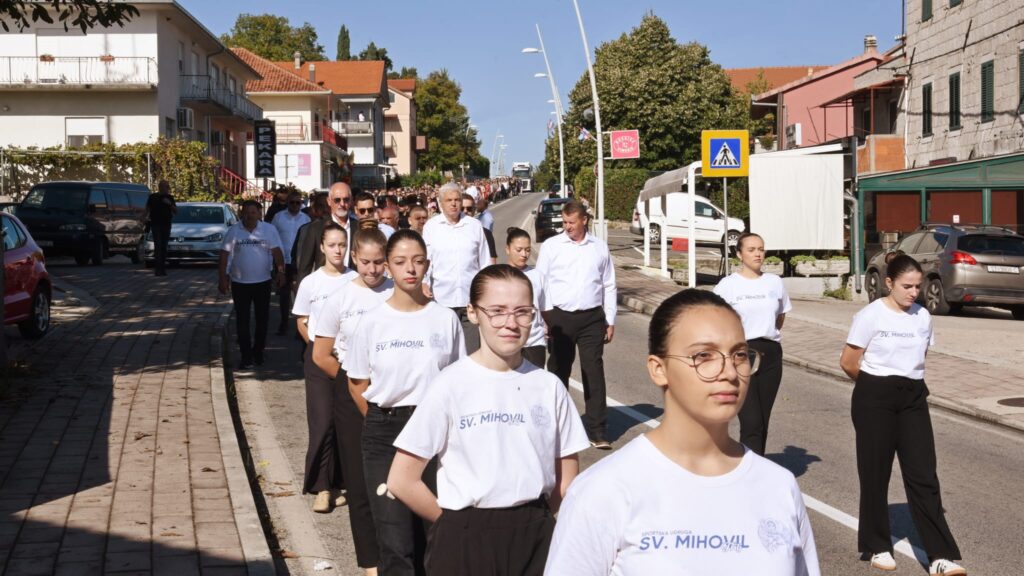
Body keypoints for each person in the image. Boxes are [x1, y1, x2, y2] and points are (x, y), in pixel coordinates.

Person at [544, 289, 821, 575]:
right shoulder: (603, 490)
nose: (729, 372)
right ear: (658, 369)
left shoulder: (779, 486)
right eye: (704, 355)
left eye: (739, 354)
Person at [388, 264, 589, 576]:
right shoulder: (450, 384)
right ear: (473, 313)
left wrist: (538, 523)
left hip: (536, 535)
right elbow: (402, 479)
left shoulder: (549, 386)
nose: (511, 323)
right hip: (464, 535)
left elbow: (566, 476)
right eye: (497, 311)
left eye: (522, 312)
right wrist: (449, 523)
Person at [344, 229, 466, 576]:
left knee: (437, 534)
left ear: (428, 264)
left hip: (435, 436)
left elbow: (458, 383)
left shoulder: (445, 319)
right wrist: (384, 418)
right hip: (384, 434)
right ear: (388, 266)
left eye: (418, 261)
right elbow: (358, 383)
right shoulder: (371, 322)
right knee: (394, 541)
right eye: (400, 262)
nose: (410, 269)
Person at [839, 255, 966, 576]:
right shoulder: (870, 315)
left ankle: (940, 556)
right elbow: (848, 362)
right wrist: (875, 388)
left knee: (924, 475)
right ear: (889, 283)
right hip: (874, 397)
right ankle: (877, 546)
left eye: (917, 286)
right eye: (907, 286)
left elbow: (920, 358)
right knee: (875, 473)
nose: (913, 292)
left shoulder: (923, 317)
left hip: (913, 397)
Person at [311, 228, 392, 575]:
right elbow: (321, 355)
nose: (372, 270)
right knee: (360, 485)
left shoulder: (398, 292)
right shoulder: (340, 298)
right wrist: (352, 382)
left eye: (379, 262)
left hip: (393, 392)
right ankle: (371, 565)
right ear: (354, 257)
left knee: (395, 481)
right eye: (366, 262)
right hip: (352, 393)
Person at [536, 200, 616, 450]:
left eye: (571, 222)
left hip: (592, 318)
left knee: (593, 371)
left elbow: (609, 284)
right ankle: (556, 426)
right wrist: (545, 318)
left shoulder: (599, 247)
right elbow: (541, 284)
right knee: (558, 370)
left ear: (584, 220)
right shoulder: (552, 246)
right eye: (564, 222)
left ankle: (597, 430)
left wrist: (610, 318)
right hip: (560, 318)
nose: (567, 227)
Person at [292, 223, 358, 512]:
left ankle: (345, 481)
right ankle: (321, 487)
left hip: (350, 358)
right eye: (332, 245)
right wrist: (318, 348)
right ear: (322, 247)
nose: (337, 250)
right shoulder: (311, 282)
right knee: (322, 421)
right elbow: (301, 320)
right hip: (319, 358)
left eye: (342, 245)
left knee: (347, 422)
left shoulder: (356, 279)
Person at [712, 232, 791, 456]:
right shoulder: (728, 285)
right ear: (739, 254)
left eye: (761, 249)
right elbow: (714, 320)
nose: (758, 254)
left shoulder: (774, 282)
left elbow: (780, 317)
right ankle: (748, 469)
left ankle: (757, 464)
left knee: (763, 419)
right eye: (751, 249)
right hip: (741, 354)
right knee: (751, 421)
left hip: (771, 352)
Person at [422, 183, 490, 354]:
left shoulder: (474, 225)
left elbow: (484, 261)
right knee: (444, 353)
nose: (453, 203)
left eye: (457, 199)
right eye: (449, 200)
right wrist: (424, 282)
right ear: (440, 203)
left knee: (472, 353)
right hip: (442, 300)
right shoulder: (431, 227)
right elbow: (426, 260)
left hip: (470, 301)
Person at [218, 200, 285, 368]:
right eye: (246, 212)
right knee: (242, 321)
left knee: (262, 320)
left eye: (253, 212)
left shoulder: (268, 230)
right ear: (242, 213)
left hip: (262, 282)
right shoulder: (234, 231)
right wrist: (223, 278)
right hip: (240, 283)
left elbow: (277, 252)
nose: (249, 216)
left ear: (259, 214)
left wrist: (281, 272)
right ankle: (246, 356)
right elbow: (224, 254)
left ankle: (258, 352)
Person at [296, 182, 357, 287]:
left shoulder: (359, 228)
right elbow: (305, 267)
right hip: (323, 288)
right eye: (337, 200)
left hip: (353, 287)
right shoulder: (316, 228)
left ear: (351, 201)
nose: (342, 204)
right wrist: (302, 292)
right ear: (329, 201)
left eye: (346, 200)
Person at [272, 191, 312, 335]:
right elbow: (273, 237)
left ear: (301, 204)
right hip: (283, 261)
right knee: (284, 294)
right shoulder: (278, 217)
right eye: (292, 202)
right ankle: (284, 322)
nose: (295, 205)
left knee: (300, 294)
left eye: (298, 203)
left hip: (300, 262)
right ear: (287, 203)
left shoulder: (306, 219)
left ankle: (299, 327)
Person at [506, 227, 546, 369]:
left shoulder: (537, 275)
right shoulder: (498, 276)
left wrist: (548, 327)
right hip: (507, 342)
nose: (524, 254)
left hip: (534, 342)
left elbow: (545, 308)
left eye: (528, 250)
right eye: (519, 250)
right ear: (508, 249)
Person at [144, 180, 177, 276]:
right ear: (161, 187)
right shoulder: (153, 197)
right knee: (158, 246)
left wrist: (169, 204)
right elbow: (147, 209)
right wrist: (143, 217)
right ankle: (158, 269)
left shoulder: (169, 198)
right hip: (155, 225)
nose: (168, 189)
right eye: (166, 187)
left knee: (164, 247)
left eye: (168, 187)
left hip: (166, 225)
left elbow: (176, 211)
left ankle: (162, 268)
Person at [461, 193, 497, 265]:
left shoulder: (486, 233)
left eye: (469, 209)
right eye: (461, 209)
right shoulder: (447, 232)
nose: (465, 211)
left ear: (474, 210)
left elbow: (492, 263)